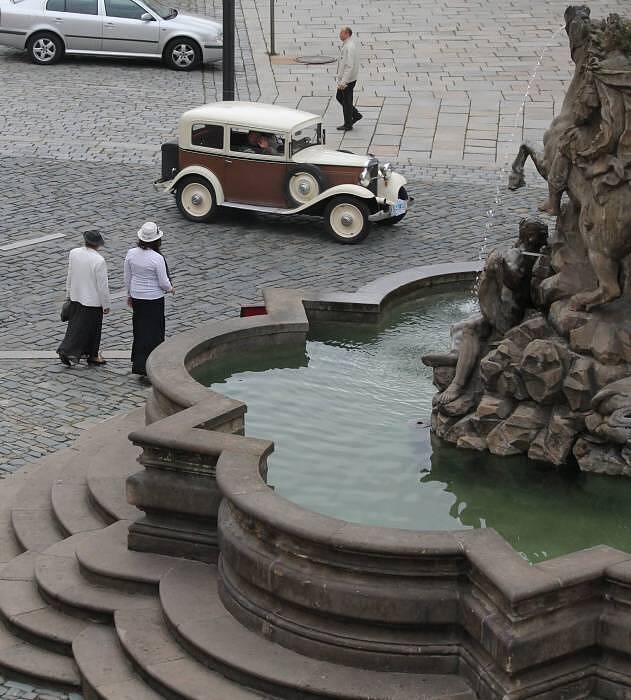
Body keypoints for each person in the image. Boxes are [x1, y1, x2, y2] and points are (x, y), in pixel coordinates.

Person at [124, 222, 174, 378]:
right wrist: (171, 289)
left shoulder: (131, 253)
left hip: (138, 297)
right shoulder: (157, 258)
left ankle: (138, 363)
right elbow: (163, 282)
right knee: (154, 332)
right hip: (154, 299)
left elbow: (127, 276)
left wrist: (129, 294)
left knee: (140, 329)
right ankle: (152, 364)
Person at [57, 230, 111, 367]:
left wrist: (68, 293)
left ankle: (91, 353)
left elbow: (70, 273)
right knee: (92, 330)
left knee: (76, 326)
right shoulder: (99, 261)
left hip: (76, 297)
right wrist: (106, 305)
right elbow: (102, 287)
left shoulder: (74, 253)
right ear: (98, 244)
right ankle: (70, 351)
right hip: (92, 302)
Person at [335, 26, 362, 131]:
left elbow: (349, 65)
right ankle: (355, 115)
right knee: (341, 97)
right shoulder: (348, 45)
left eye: (341, 33)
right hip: (349, 79)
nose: (339, 34)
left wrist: (343, 81)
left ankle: (348, 123)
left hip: (347, 80)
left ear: (346, 34)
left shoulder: (348, 47)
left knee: (346, 101)